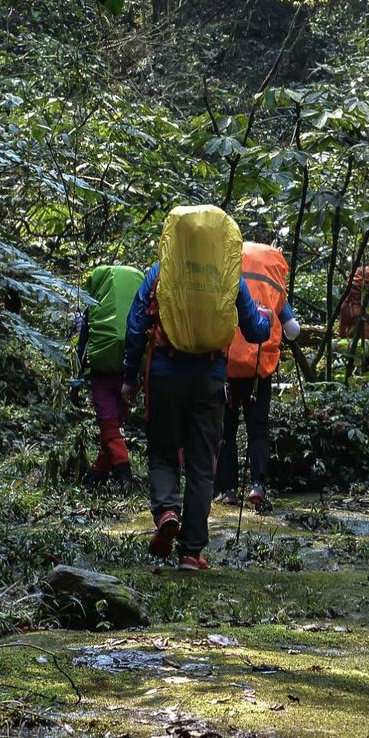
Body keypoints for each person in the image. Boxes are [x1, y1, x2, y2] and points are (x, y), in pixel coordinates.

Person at [122, 205, 271, 571]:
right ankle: (191, 551)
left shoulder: (160, 273)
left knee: (162, 453)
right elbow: (254, 331)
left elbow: (135, 324)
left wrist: (128, 378)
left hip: (164, 374)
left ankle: (167, 511)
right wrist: (266, 321)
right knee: (203, 464)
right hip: (209, 377)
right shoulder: (227, 276)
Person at [216, 241, 300, 513]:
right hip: (258, 369)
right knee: (258, 428)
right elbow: (293, 330)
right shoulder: (272, 285)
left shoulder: (228, 282)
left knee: (226, 430)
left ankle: (227, 491)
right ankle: (257, 486)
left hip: (227, 367)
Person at [75, 263, 144, 485]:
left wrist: (76, 382)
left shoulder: (94, 309)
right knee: (115, 426)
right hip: (129, 374)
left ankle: (126, 478)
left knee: (109, 426)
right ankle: (97, 476)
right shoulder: (138, 307)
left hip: (102, 375)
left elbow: (83, 346)